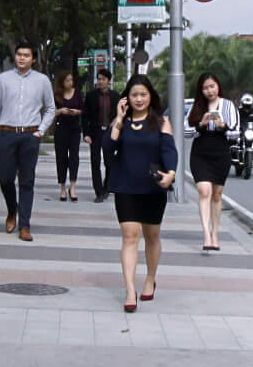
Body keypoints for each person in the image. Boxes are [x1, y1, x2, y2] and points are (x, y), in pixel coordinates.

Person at [108, 74, 178, 309]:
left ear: (151, 97)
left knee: (152, 236)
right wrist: (118, 118)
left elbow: (169, 151)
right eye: (134, 94)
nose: (138, 99)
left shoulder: (161, 122)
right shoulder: (120, 122)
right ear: (127, 97)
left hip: (152, 186)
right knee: (129, 236)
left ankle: (150, 279)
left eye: (143, 95)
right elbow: (108, 150)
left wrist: (171, 173)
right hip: (125, 185)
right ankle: (130, 290)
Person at [0, 42, 56, 241]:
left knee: (27, 181)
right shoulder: (3, 79)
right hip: (7, 134)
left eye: (26, 55)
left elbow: (51, 108)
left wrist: (41, 131)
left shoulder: (42, 81)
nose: (22, 58)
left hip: (30, 135)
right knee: (5, 179)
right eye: (19, 54)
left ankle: (24, 225)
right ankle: (11, 210)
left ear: (33, 59)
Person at [187, 72, 237, 253]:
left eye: (212, 86)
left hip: (221, 151)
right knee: (203, 190)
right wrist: (201, 124)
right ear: (201, 90)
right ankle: (206, 235)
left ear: (218, 86)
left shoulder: (228, 105)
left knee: (217, 194)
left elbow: (235, 133)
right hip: (200, 152)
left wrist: (222, 126)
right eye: (206, 88)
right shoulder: (198, 106)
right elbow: (186, 131)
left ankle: (215, 232)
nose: (209, 91)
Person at [83, 66, 118, 201]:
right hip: (95, 132)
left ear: (109, 81)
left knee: (109, 162)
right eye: (99, 79)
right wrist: (86, 134)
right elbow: (85, 116)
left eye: (103, 79)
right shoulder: (91, 96)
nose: (100, 81)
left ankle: (107, 187)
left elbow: (121, 114)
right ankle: (98, 192)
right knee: (95, 161)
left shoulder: (115, 96)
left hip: (110, 132)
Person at [52, 69, 84, 201]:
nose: (70, 82)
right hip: (61, 129)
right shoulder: (56, 95)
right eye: (67, 80)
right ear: (62, 82)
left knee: (74, 157)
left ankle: (73, 187)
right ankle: (62, 188)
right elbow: (50, 112)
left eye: (71, 80)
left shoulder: (77, 93)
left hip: (74, 128)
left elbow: (83, 109)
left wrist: (77, 112)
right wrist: (60, 111)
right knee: (61, 157)